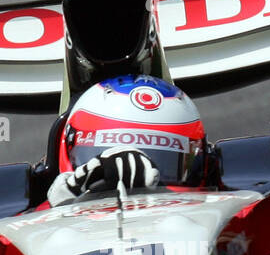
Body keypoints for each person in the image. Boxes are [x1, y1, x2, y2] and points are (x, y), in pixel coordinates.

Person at [46, 74, 212, 206]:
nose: (129, 188)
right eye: (110, 167)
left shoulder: (224, 214)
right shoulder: (32, 226)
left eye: (164, 162)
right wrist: (66, 203)